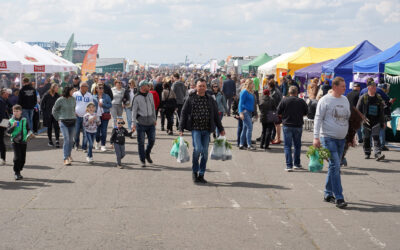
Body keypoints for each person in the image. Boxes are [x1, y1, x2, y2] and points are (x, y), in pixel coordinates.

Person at [313, 77, 350, 208]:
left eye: (345, 86)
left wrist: (351, 137)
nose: (345, 88)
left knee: (334, 166)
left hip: (341, 139)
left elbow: (347, 118)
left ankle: (328, 193)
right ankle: (339, 197)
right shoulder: (325, 100)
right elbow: (318, 119)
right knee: (335, 165)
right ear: (334, 87)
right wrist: (315, 137)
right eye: (343, 86)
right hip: (327, 138)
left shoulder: (345, 100)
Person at [179, 78, 225, 184]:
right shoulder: (190, 98)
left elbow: (216, 116)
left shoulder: (210, 99)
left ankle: (201, 174)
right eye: (200, 86)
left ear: (206, 87)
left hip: (206, 130)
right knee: (198, 149)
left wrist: (221, 128)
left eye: (203, 86)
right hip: (195, 129)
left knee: (204, 152)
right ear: (196, 87)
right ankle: (194, 172)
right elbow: (184, 113)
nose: (201, 88)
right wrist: (181, 128)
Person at [277, 86, 308, 171]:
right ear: (297, 92)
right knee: (297, 145)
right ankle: (296, 164)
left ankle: (289, 165)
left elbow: (278, 112)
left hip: (287, 124)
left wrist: (284, 116)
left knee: (287, 146)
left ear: (289, 92)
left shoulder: (284, 100)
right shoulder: (301, 101)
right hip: (298, 125)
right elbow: (306, 113)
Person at [356, 79, 385, 161]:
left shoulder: (379, 97)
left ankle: (377, 154)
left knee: (376, 137)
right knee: (366, 138)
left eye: (375, 86)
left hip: (376, 121)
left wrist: (382, 122)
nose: (374, 88)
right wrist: (361, 119)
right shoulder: (363, 97)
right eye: (372, 87)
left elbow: (382, 111)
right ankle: (367, 152)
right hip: (366, 122)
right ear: (368, 87)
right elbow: (358, 110)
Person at [131, 80, 157, 167]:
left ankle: (147, 153)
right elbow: (134, 111)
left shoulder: (150, 94)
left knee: (152, 140)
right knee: (141, 142)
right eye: (147, 86)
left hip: (151, 122)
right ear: (142, 87)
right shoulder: (136, 97)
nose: (149, 87)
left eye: (149, 86)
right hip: (141, 123)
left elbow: (153, 107)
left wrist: (154, 118)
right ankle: (142, 160)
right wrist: (133, 123)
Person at [52, 85, 76, 166]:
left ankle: (69, 155)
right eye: (72, 90)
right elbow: (54, 110)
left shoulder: (73, 99)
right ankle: (65, 158)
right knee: (66, 139)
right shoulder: (60, 99)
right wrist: (58, 118)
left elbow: (73, 109)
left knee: (71, 140)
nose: (73, 92)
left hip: (73, 121)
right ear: (68, 91)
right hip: (63, 122)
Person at [8, 104, 32, 180]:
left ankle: (19, 169)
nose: (15, 112)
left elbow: (28, 129)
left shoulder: (24, 119)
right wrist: (13, 126)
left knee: (22, 159)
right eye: (14, 111)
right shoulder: (11, 121)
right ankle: (16, 172)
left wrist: (30, 134)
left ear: (21, 112)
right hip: (15, 141)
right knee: (17, 157)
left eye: (17, 111)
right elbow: (8, 131)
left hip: (23, 141)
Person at [73, 82, 93, 151]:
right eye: (86, 86)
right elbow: (72, 104)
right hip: (76, 116)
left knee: (85, 133)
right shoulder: (75, 94)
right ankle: (76, 144)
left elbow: (91, 105)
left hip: (86, 117)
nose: (87, 87)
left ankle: (84, 147)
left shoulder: (89, 95)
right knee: (76, 132)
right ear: (81, 87)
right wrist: (73, 112)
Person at [93, 82, 112, 151]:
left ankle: (103, 145)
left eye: (102, 88)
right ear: (96, 89)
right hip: (96, 116)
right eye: (100, 88)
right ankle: (97, 142)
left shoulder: (107, 96)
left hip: (105, 115)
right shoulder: (93, 97)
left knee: (104, 131)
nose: (101, 89)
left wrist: (103, 105)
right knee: (97, 131)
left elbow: (110, 105)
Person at [40, 83, 60, 147]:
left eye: (58, 88)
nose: (58, 89)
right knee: (49, 128)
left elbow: (60, 105)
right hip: (48, 114)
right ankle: (50, 140)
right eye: (57, 88)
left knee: (56, 127)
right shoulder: (46, 95)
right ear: (53, 88)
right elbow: (42, 103)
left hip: (55, 114)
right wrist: (44, 112)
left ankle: (57, 140)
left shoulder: (57, 95)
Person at [238, 79, 256, 150]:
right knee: (250, 127)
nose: (253, 85)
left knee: (245, 128)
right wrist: (240, 112)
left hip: (249, 112)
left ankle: (241, 144)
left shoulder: (250, 92)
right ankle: (249, 145)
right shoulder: (244, 91)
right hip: (245, 112)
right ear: (249, 84)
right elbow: (240, 102)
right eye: (252, 84)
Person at [0, 89, 10, 165]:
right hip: (2, 122)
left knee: (1, 141)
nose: (8, 95)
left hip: (2, 123)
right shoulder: (2, 101)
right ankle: (3, 158)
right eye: (6, 94)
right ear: (2, 94)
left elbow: (4, 114)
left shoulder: (4, 101)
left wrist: (4, 126)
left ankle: (3, 158)